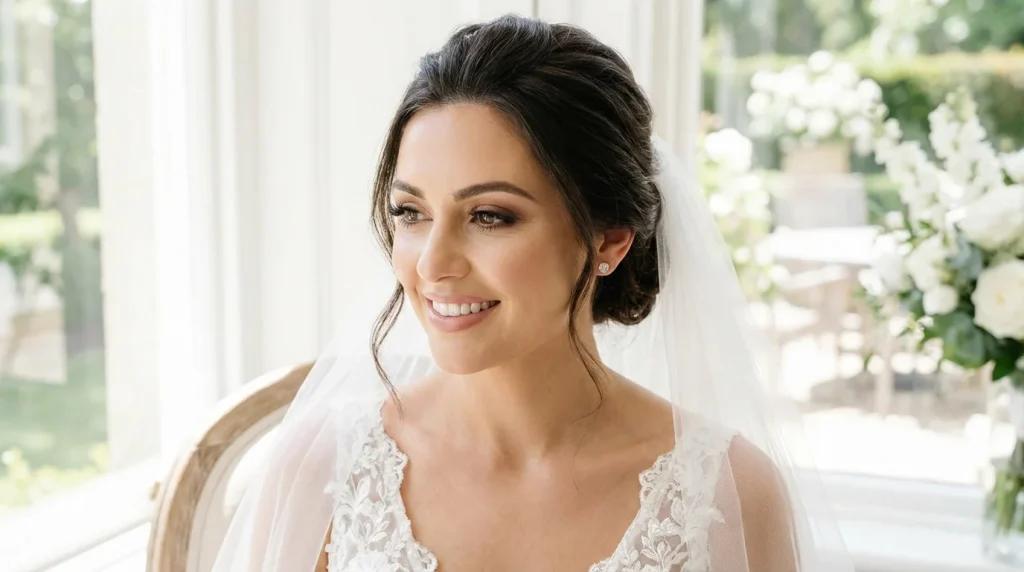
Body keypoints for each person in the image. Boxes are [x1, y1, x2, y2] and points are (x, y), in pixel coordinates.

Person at [212, 14, 851, 572]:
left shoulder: (725, 494)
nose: (433, 263)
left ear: (609, 239)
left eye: (490, 216)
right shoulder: (324, 469)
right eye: (411, 212)